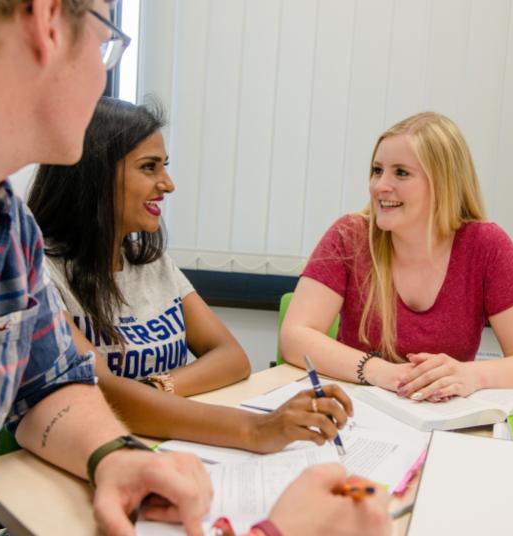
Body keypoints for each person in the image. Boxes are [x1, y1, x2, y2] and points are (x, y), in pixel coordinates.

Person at [0, 1, 389, 535]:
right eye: (105, 44)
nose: (102, 72)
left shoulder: (1, 218)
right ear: (49, 21)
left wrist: (114, 457)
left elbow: (50, 384)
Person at [27, 96, 354, 454]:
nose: (168, 184)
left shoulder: (152, 263)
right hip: (102, 453)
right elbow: (103, 392)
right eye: (149, 167)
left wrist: (155, 389)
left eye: (164, 166)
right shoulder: (38, 273)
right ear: (94, 175)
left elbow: (231, 356)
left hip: (168, 441)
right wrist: (256, 430)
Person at [280, 112, 513, 402]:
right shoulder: (349, 236)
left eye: (401, 173)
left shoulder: (486, 246)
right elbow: (295, 336)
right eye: (377, 170)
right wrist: (380, 371)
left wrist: (470, 375)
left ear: (442, 183)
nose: (379, 186)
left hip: (443, 418)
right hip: (359, 411)